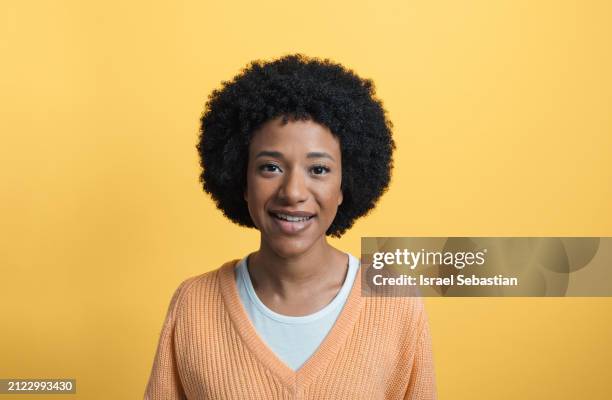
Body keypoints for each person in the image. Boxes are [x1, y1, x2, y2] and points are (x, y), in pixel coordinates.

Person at [144, 54, 436, 399]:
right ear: (241, 178)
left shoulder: (395, 300)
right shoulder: (194, 304)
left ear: (346, 185)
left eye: (319, 170)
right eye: (270, 167)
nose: (293, 192)